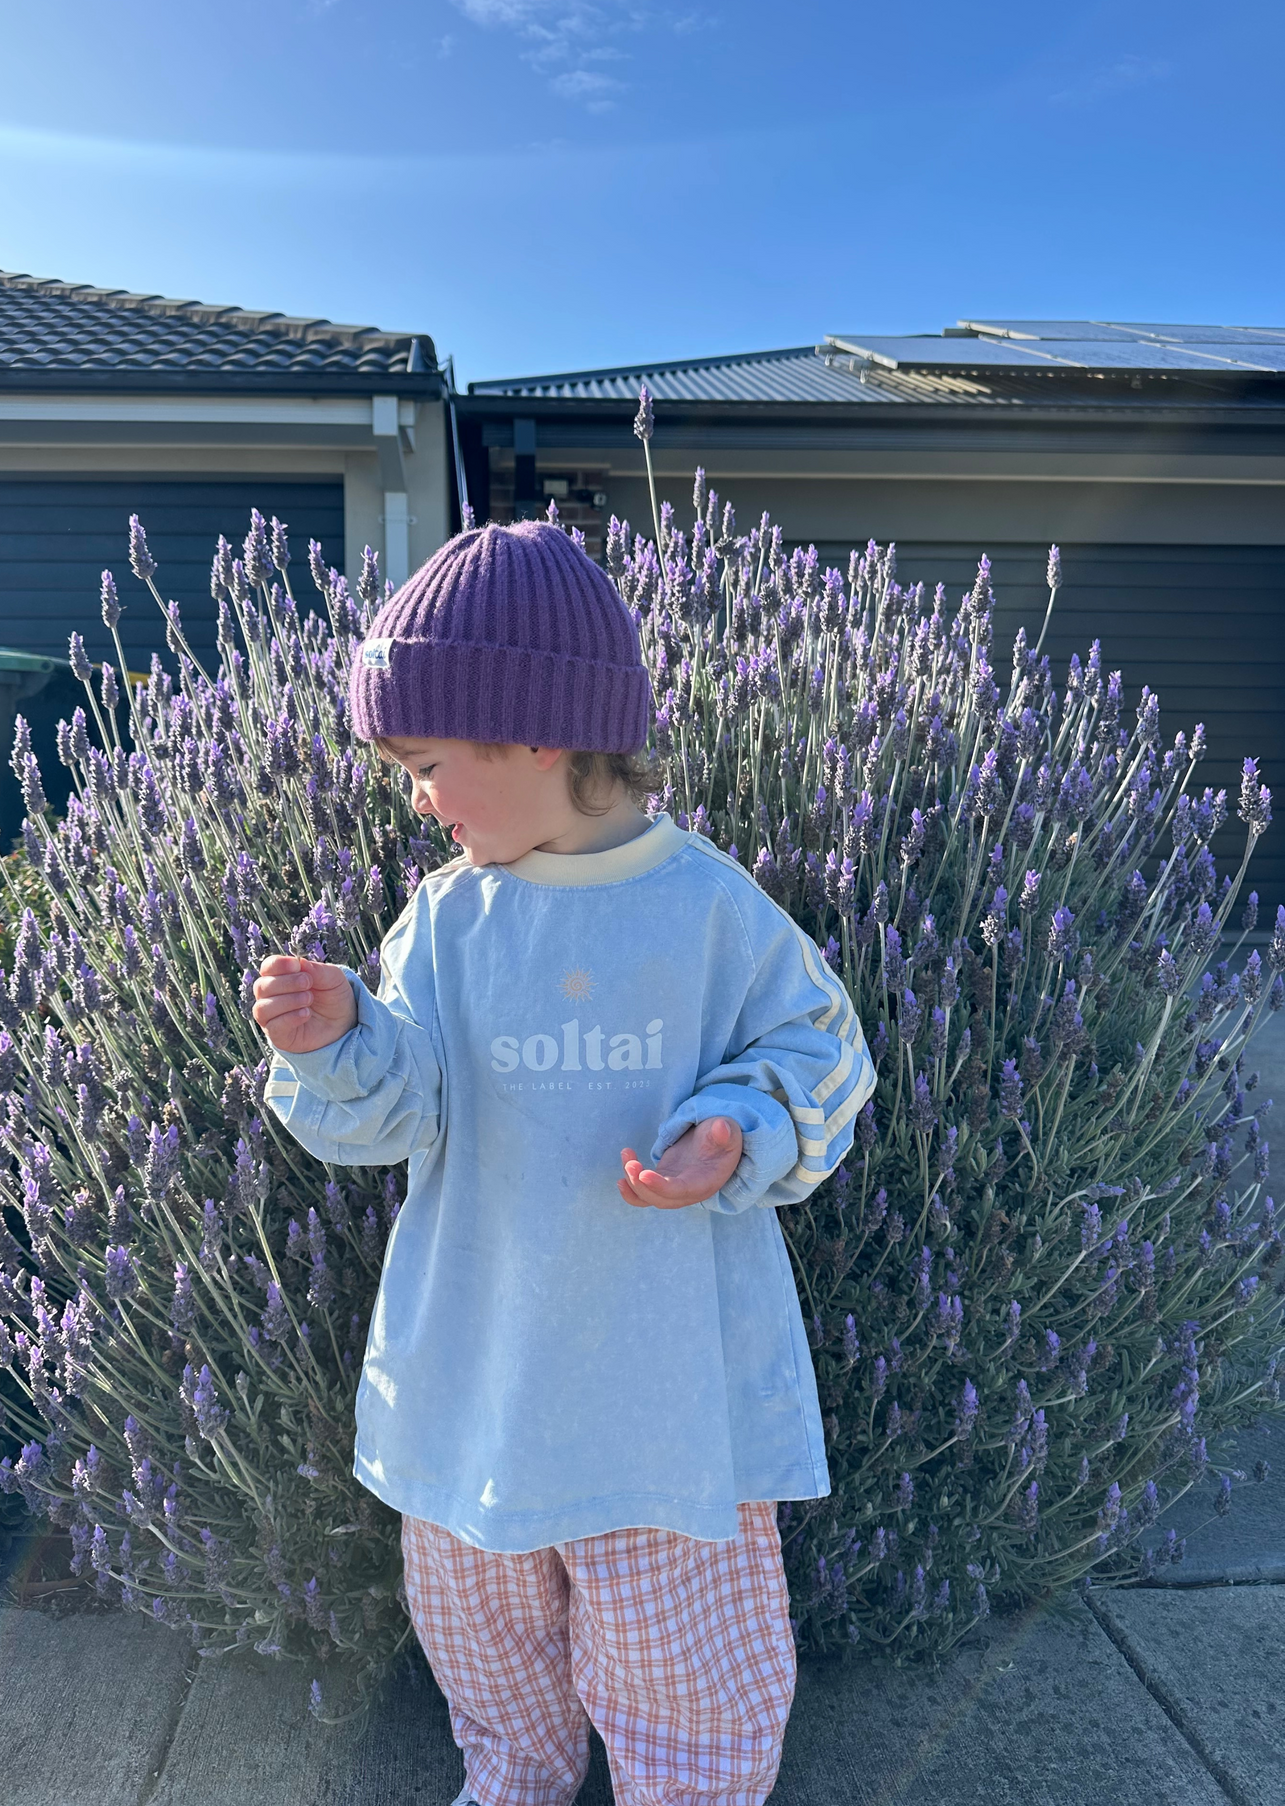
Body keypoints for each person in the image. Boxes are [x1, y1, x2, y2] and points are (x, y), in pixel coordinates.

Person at [252, 520, 876, 1806]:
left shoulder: (707, 907)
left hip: (663, 1407)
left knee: (687, 1682)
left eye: (425, 763)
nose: (414, 797)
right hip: (478, 1380)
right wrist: (339, 1042)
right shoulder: (446, 918)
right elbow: (398, 1109)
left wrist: (738, 1128)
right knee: (488, 1652)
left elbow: (819, 1045)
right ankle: (516, 1783)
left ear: (535, 729)